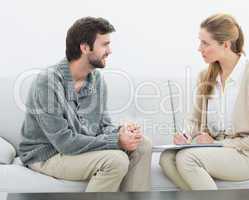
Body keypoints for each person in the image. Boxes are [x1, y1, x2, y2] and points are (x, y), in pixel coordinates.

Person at [19, 17, 152, 192]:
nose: (109, 51)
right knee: (116, 160)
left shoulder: (96, 79)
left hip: (76, 149)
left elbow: (102, 126)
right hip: (47, 154)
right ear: (84, 47)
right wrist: (117, 141)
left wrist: (121, 132)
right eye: (104, 44)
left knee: (142, 144)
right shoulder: (48, 82)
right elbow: (64, 142)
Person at [159, 13, 249, 190]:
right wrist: (186, 135)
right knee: (166, 158)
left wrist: (219, 144)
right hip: (218, 149)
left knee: (187, 159)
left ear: (225, 45)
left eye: (205, 43)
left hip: (248, 155)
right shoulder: (205, 77)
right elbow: (194, 120)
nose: (199, 48)